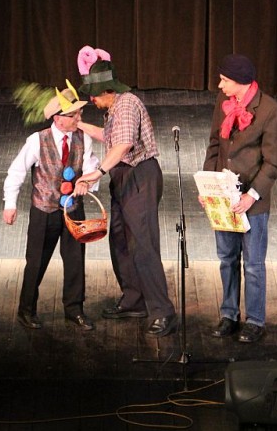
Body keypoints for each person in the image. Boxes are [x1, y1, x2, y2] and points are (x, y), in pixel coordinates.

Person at [72, 45, 178, 338]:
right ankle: (134, 299)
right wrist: (78, 123)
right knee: (120, 239)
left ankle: (163, 312)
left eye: (94, 94)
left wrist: (97, 172)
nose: (91, 99)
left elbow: (123, 145)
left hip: (140, 176)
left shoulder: (127, 104)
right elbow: (108, 137)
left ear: (107, 90)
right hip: (123, 178)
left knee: (143, 245)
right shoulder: (113, 109)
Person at [3, 82, 100, 331]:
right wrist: (10, 204)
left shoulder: (83, 138)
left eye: (79, 113)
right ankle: (26, 310)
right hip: (44, 211)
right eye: (73, 115)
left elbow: (90, 166)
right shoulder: (38, 140)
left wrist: (86, 182)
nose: (79, 118)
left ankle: (74, 310)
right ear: (58, 119)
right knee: (36, 261)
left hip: (73, 209)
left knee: (75, 261)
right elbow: (17, 171)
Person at [201, 53, 277, 343]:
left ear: (240, 81)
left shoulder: (269, 110)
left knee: (253, 264)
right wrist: (208, 185)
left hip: (252, 202)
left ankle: (255, 320)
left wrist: (251, 195)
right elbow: (215, 145)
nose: (220, 85)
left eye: (225, 80)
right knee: (227, 259)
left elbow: (272, 163)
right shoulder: (223, 103)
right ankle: (229, 315)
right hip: (224, 196)